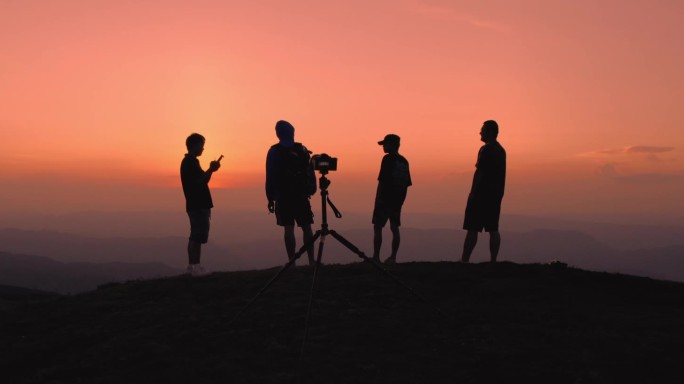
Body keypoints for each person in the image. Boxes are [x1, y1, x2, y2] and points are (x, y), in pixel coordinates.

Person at [266, 120, 317, 266]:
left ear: (278, 133)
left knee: (289, 228)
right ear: (292, 132)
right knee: (306, 226)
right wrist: (312, 188)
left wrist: (270, 198)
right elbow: (310, 171)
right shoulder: (302, 149)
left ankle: (292, 262)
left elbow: (270, 176)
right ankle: (311, 260)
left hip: (283, 195)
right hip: (301, 194)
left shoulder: (274, 151)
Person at [461, 120, 506, 263]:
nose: (480, 132)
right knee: (493, 228)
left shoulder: (485, 149)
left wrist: (473, 193)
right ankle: (493, 260)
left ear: (490, 132)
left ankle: (465, 260)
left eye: (483, 130)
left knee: (472, 228)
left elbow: (480, 170)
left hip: (480, 195)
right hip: (495, 195)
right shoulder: (501, 150)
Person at [180, 133, 221, 276]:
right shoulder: (190, 162)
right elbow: (200, 181)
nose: (203, 148)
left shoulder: (190, 162)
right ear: (194, 145)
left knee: (195, 235)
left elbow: (201, 179)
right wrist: (211, 169)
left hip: (194, 204)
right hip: (198, 204)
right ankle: (195, 267)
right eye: (201, 145)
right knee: (197, 236)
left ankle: (192, 267)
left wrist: (211, 170)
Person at [372, 134, 412, 264]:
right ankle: (393, 257)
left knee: (378, 227)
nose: (383, 146)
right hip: (397, 200)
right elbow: (407, 184)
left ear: (392, 145)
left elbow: (382, 181)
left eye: (385, 144)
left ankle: (376, 257)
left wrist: (379, 199)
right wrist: (401, 202)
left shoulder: (387, 159)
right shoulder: (404, 161)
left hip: (384, 199)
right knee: (395, 228)